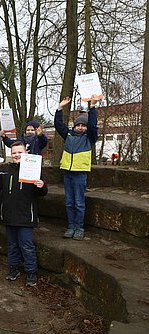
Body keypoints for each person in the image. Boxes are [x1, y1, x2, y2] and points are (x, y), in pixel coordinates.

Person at [0, 142, 48, 287]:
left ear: (26, 153)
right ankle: (13, 268)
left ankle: (31, 272)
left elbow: (42, 193)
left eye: (19, 152)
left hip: (26, 216)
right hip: (9, 215)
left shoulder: (34, 170)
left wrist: (42, 186)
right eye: (14, 153)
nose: (16, 155)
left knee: (26, 245)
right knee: (12, 244)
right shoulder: (6, 170)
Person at [54, 96, 98, 241]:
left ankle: (79, 228)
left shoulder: (89, 138)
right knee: (69, 202)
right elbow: (58, 124)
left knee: (79, 203)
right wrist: (60, 108)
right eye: (78, 125)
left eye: (83, 126)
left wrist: (91, 107)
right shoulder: (68, 135)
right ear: (74, 126)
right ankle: (71, 226)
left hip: (80, 174)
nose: (80, 127)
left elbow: (92, 125)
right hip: (68, 173)